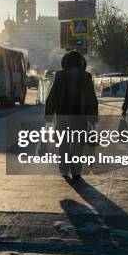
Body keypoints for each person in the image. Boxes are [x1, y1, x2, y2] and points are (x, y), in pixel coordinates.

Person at [45, 50, 98, 181]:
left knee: (63, 142)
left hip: (62, 115)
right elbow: (92, 98)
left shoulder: (60, 75)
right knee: (78, 144)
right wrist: (92, 118)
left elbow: (53, 96)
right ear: (82, 63)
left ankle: (63, 168)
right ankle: (76, 171)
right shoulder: (86, 76)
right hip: (80, 116)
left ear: (65, 62)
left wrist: (49, 116)